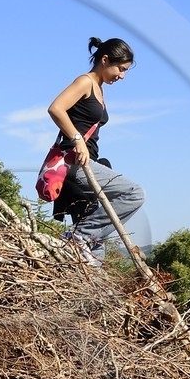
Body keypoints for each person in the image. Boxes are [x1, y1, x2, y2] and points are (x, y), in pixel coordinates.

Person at [46, 37, 146, 259]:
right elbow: (56, 108)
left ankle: (91, 286)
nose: (122, 76)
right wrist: (77, 139)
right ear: (104, 59)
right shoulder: (85, 82)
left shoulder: (99, 88)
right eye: (120, 69)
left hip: (90, 164)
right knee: (134, 193)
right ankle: (77, 235)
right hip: (76, 164)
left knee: (96, 244)